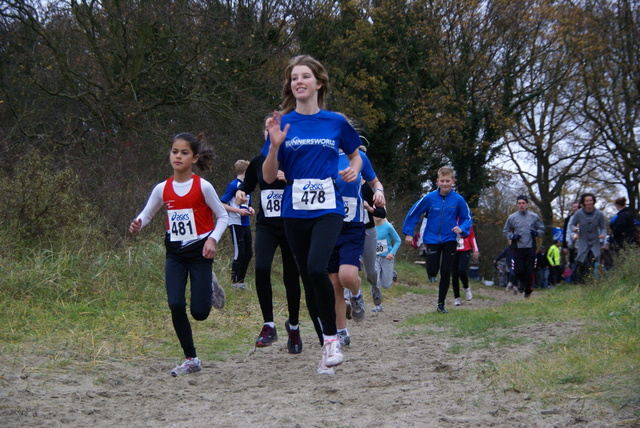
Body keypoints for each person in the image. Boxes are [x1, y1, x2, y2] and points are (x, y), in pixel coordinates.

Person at [262, 55, 363, 375]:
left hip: (328, 209)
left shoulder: (336, 121)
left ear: (319, 82)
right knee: (308, 279)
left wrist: (353, 170)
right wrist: (275, 145)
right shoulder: (283, 123)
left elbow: (355, 155)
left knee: (318, 267)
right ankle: (326, 347)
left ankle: (332, 340)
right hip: (294, 211)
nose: (299, 81)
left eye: (305, 76)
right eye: (294, 78)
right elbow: (267, 177)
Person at [129, 133, 229, 377]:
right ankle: (191, 358)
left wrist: (213, 240)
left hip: (200, 252)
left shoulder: (203, 186)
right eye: (175, 151)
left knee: (200, 313)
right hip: (174, 252)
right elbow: (148, 213)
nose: (178, 156)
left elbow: (223, 216)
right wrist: (138, 223)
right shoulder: (162, 188)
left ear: (194, 158)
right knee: (175, 304)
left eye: (184, 153)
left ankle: (210, 285)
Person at [235, 116, 303, 353]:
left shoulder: (295, 158)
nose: (270, 132)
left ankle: (293, 328)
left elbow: (311, 184)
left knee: (291, 277)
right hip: (267, 224)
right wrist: (242, 194)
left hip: (292, 224)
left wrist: (291, 179)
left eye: (275, 128)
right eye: (267, 129)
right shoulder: (258, 161)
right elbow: (247, 186)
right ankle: (269, 325)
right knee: (261, 267)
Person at [329, 147, 385, 347]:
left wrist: (378, 192)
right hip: (326, 225)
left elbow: (374, 181)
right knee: (334, 282)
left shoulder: (358, 157)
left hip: (352, 225)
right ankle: (341, 330)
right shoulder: (320, 154)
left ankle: (356, 294)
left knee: (347, 277)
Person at [402, 166, 473, 313]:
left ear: (453, 181)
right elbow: (414, 213)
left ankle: (441, 304)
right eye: (442, 181)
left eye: (448, 181)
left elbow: (467, 217)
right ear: (437, 181)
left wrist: (462, 228)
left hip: (450, 238)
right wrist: (409, 232)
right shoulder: (429, 198)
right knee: (433, 271)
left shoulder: (458, 199)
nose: (445, 184)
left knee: (446, 271)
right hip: (432, 238)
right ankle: (433, 273)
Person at [220, 160, 255, 289]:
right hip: (235, 222)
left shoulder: (248, 186)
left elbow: (247, 203)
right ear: (246, 171)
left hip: (246, 223)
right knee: (239, 252)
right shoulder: (233, 185)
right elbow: (222, 204)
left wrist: (250, 209)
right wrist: (238, 211)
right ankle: (234, 282)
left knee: (248, 253)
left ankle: (241, 281)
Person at [503, 195, 545, 298]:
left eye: (523, 203)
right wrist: (512, 236)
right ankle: (521, 282)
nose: (521, 205)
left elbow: (542, 229)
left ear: (527, 204)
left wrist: (536, 233)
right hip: (517, 247)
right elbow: (505, 231)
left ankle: (527, 290)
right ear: (517, 204)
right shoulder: (512, 217)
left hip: (530, 246)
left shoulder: (534, 216)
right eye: (519, 203)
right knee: (518, 270)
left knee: (529, 270)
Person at [568, 193, 606, 283]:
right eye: (587, 201)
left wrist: (603, 234)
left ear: (593, 202)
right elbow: (571, 224)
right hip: (583, 240)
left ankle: (590, 280)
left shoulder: (599, 214)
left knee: (593, 258)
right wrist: (575, 229)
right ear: (583, 202)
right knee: (582, 260)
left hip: (594, 240)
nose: (589, 202)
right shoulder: (579, 213)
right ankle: (582, 279)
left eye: (591, 201)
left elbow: (603, 227)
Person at [372, 216, 401, 311]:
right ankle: (378, 305)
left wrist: (392, 253)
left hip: (386, 257)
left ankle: (391, 273)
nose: (376, 216)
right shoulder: (369, 226)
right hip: (374, 257)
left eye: (378, 213)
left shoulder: (388, 227)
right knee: (374, 281)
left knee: (386, 285)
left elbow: (398, 240)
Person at [451, 225, 478, 305]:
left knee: (462, 270)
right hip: (453, 248)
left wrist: (475, 250)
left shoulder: (466, 221)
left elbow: (472, 236)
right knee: (454, 274)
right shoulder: (450, 218)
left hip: (465, 249)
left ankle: (466, 288)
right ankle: (457, 297)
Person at [562, 201, 580, 282]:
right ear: (571, 208)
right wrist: (565, 246)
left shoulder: (584, 217)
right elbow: (565, 231)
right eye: (574, 207)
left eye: (577, 206)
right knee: (572, 261)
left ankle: (580, 278)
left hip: (581, 243)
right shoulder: (568, 219)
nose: (575, 208)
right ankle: (574, 279)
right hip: (571, 243)